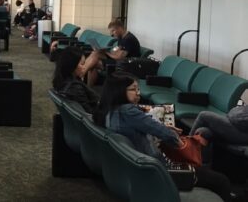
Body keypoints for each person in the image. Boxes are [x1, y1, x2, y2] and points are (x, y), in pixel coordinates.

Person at [94, 75, 236, 201]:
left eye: (138, 89)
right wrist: (178, 141)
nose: (138, 93)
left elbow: (144, 126)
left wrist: (165, 130)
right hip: (158, 173)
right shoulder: (128, 110)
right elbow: (157, 130)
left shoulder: (109, 111)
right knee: (221, 181)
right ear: (119, 91)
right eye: (133, 89)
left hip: (140, 168)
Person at [83, 19, 141, 86]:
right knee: (95, 53)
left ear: (120, 28)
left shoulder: (129, 39)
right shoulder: (121, 37)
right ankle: (86, 82)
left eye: (113, 31)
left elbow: (119, 57)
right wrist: (104, 51)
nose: (111, 34)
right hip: (119, 61)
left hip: (125, 65)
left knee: (94, 63)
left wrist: (106, 52)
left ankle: (82, 74)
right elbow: (116, 51)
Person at [52, 47, 99, 114]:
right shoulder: (76, 89)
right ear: (72, 65)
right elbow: (89, 114)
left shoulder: (61, 81)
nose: (84, 67)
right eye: (82, 64)